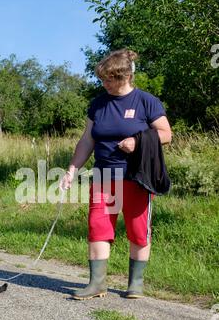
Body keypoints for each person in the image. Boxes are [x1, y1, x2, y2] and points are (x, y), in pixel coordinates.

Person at [60, 49, 172, 300]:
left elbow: (166, 134)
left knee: (137, 229)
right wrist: (71, 170)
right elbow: (87, 140)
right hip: (102, 177)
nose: (105, 84)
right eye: (102, 79)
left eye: (110, 79)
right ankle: (96, 284)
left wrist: (138, 141)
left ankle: (136, 284)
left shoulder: (146, 101)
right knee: (97, 227)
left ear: (126, 77)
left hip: (136, 177)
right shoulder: (98, 104)